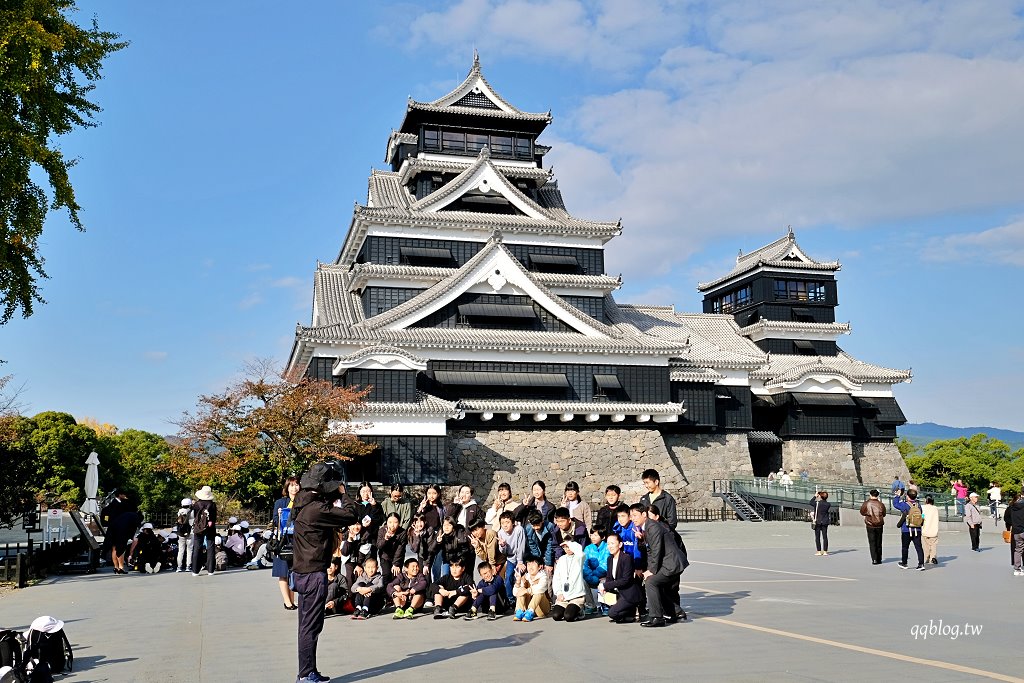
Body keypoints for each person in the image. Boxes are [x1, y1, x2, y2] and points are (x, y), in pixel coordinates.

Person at [290, 461, 357, 683]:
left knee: (307, 625)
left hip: (301, 571)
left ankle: (309, 670)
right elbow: (350, 515)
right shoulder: (316, 509)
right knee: (311, 626)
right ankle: (305, 674)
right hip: (313, 573)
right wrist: (344, 493)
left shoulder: (301, 504)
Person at [631, 503, 686, 627]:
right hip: (667, 563)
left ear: (644, 514)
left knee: (651, 582)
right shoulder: (647, 527)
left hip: (672, 564)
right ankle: (676, 613)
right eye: (631, 516)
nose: (632, 518)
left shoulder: (653, 527)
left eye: (635, 515)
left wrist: (651, 570)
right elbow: (650, 551)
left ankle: (657, 617)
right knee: (657, 585)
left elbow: (656, 551)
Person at [272, 476, 300, 610]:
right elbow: (276, 522)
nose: (294, 488)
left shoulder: (303, 502)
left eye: (296, 485)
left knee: (294, 571)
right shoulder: (280, 502)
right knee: (283, 571)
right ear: (287, 487)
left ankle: (292, 600)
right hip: (283, 540)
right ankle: (287, 601)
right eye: (291, 485)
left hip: (298, 540)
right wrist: (279, 515)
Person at [601, 532, 642, 624]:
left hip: (629, 594)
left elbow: (626, 580)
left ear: (620, 544)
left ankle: (633, 612)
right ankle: (630, 612)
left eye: (612, 543)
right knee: (612, 609)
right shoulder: (610, 559)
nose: (610, 546)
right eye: (608, 544)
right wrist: (606, 588)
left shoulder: (626, 558)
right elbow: (609, 577)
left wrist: (605, 585)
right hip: (619, 592)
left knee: (612, 613)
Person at [550, 540, 587, 622]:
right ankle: (569, 609)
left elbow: (579, 550)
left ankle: (580, 610)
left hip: (576, 596)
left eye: (569, 546)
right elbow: (556, 578)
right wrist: (559, 593)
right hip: (564, 596)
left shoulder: (579, 557)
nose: (568, 549)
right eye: (565, 547)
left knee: (568, 617)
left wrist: (570, 544)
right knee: (556, 616)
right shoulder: (561, 559)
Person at [893, 488, 926, 570]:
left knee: (905, 547)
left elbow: (895, 504)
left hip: (906, 529)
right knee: (919, 547)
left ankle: (904, 563)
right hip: (917, 529)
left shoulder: (905, 505)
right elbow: (921, 515)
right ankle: (921, 564)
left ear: (907, 496)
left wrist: (897, 495)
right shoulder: (918, 505)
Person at [497, 510, 525, 600]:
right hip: (510, 558)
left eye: (507, 522)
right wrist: (503, 545)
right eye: (502, 523)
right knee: (508, 577)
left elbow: (521, 546)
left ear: (513, 523)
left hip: (521, 557)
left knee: (521, 577)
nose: (505, 525)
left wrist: (520, 561)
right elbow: (503, 552)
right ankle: (510, 599)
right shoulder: (500, 533)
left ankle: (522, 598)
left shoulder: (519, 529)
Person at [191, 486, 218, 576]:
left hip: (199, 527)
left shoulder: (196, 504)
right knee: (210, 547)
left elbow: (195, 517)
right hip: (210, 527)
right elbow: (214, 517)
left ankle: (195, 570)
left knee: (197, 547)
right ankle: (210, 570)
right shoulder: (213, 505)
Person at [512, 556, 549, 622]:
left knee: (539, 592)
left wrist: (526, 591)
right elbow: (515, 593)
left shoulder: (543, 577)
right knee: (521, 589)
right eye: (528, 564)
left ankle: (530, 611)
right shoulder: (525, 577)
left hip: (541, 609)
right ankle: (519, 611)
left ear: (540, 567)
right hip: (527, 607)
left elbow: (540, 588)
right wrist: (518, 582)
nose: (530, 567)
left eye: (533, 564)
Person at [376, 512, 407, 586]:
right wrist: (385, 539)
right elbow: (379, 546)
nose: (392, 525)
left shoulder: (402, 532)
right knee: (386, 574)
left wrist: (396, 564)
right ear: (386, 522)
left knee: (395, 576)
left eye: (395, 522)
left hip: (398, 557)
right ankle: (385, 594)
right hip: (385, 556)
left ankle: (394, 594)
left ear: (399, 523)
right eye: (390, 522)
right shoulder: (382, 530)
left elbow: (400, 549)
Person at [582, 527, 609, 615]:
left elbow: (605, 565)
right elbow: (584, 565)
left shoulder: (607, 547)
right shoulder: (588, 548)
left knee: (605, 581)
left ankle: (605, 605)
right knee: (582, 580)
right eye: (591, 534)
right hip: (591, 575)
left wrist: (595, 575)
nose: (592, 537)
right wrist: (590, 576)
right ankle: (590, 605)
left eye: (595, 535)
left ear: (603, 537)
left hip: (604, 575)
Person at [522, 510, 556, 576]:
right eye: (534, 525)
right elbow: (532, 545)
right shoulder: (528, 528)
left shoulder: (550, 526)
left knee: (549, 572)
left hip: (549, 553)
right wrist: (538, 562)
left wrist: (548, 563)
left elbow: (550, 546)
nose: (536, 528)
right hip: (536, 555)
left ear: (542, 521)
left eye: (538, 525)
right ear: (529, 522)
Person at [859, 489, 886, 565]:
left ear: (870, 495)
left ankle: (874, 559)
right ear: (877, 495)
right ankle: (879, 558)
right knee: (879, 542)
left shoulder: (867, 503)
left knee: (872, 542)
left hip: (870, 524)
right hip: (879, 524)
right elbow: (884, 514)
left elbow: (862, 512)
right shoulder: (881, 504)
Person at [1004, 491, 1024, 576]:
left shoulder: (1012, 508)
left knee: (1018, 550)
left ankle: (1017, 568)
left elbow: (1007, 518)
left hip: (1016, 531)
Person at [174, 497, 194, 573]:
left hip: (181, 533)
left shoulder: (179, 512)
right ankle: (188, 566)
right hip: (190, 532)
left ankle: (179, 567)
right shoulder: (192, 512)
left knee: (181, 550)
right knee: (189, 550)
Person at [810, 491, 831, 556]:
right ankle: (825, 551)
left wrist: (815, 496)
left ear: (820, 496)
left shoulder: (817, 503)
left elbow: (810, 502)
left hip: (818, 521)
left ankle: (819, 551)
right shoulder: (828, 504)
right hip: (825, 521)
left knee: (817, 537)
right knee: (825, 537)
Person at [921, 495, 940, 565]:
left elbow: (922, 517)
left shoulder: (923, 508)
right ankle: (933, 557)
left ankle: (926, 558)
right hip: (934, 530)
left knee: (925, 546)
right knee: (933, 545)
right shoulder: (935, 508)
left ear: (926, 500)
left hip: (925, 530)